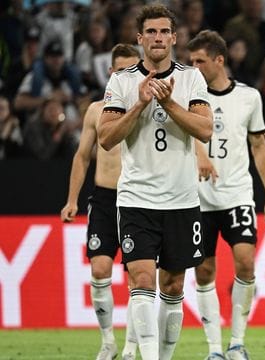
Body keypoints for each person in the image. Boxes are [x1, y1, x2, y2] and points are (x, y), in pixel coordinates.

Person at [97, 5, 213, 360]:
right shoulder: (122, 81)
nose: (158, 38)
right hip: (136, 199)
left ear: (174, 38)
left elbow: (205, 129)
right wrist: (139, 105)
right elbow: (105, 137)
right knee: (142, 281)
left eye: (164, 32)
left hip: (181, 199)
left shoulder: (192, 78)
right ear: (140, 38)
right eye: (151, 32)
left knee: (174, 285)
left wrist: (169, 103)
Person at [187, 29, 265, 360]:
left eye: (199, 61)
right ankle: (214, 348)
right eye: (191, 61)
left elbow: (259, 145)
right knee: (204, 271)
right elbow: (182, 134)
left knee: (246, 262)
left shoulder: (249, 97)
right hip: (198, 198)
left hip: (238, 194)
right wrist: (199, 153)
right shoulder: (188, 96)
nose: (193, 67)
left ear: (219, 60)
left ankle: (237, 343)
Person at [60, 43, 140, 360]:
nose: (126, 76)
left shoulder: (145, 108)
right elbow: (82, 158)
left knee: (138, 276)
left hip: (137, 198)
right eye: (120, 70)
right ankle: (108, 342)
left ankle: (133, 347)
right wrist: (71, 200)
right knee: (100, 268)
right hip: (105, 197)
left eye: (132, 70)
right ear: (110, 72)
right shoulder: (96, 111)